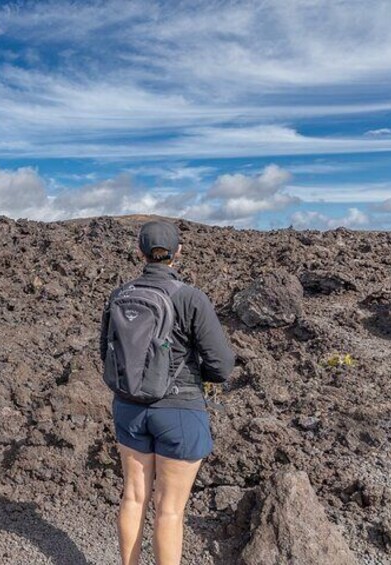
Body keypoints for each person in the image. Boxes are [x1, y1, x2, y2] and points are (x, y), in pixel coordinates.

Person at [99, 220, 235, 565]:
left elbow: (106, 355)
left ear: (139, 253)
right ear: (178, 253)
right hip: (180, 412)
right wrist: (192, 377)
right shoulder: (190, 298)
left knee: (133, 497)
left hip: (129, 408)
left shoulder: (120, 296)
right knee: (169, 511)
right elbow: (222, 366)